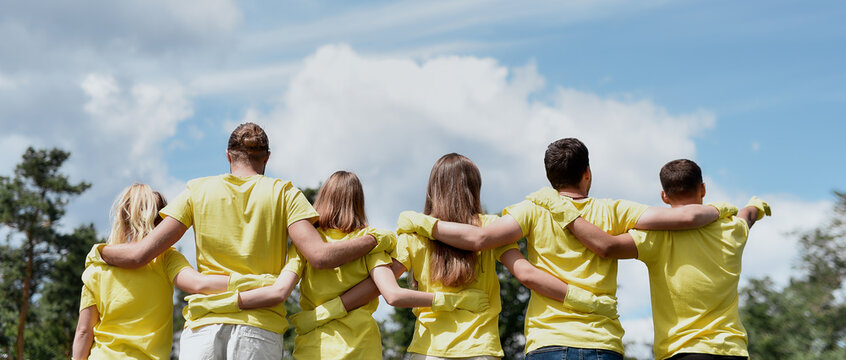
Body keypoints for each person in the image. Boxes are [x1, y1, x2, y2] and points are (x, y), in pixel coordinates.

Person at [398, 139, 731, 359]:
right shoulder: (615, 210)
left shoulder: (531, 209)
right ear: (587, 173)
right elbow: (684, 216)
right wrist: (731, 212)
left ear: (549, 177)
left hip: (546, 343)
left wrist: (421, 223)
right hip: (601, 342)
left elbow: (481, 240)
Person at [99, 123, 388, 359]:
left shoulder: (196, 191)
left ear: (228, 156)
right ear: (267, 157)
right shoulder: (285, 193)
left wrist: (99, 252)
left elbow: (139, 255)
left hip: (203, 329)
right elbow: (320, 256)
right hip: (258, 327)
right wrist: (371, 240)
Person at [393, 153, 618, 360]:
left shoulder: (413, 234)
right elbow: (525, 272)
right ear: (474, 188)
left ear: (433, 188)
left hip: (428, 351)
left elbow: (387, 289)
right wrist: (589, 301)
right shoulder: (491, 227)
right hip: (480, 350)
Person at [565, 159, 770, 360]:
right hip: (733, 351)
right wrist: (756, 206)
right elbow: (748, 216)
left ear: (664, 196)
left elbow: (607, 246)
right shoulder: (733, 229)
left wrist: (566, 215)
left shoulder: (657, 236)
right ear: (703, 189)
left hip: (682, 350)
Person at [280, 170, 490, 360]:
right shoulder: (372, 242)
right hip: (362, 348)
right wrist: (454, 300)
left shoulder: (306, 246)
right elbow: (392, 294)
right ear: (359, 202)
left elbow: (281, 290)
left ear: (322, 198)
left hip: (314, 348)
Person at [71, 184, 241, 359]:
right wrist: (255, 283)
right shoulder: (166, 258)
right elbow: (199, 284)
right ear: (162, 223)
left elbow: (84, 331)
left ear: (122, 217)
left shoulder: (97, 265)